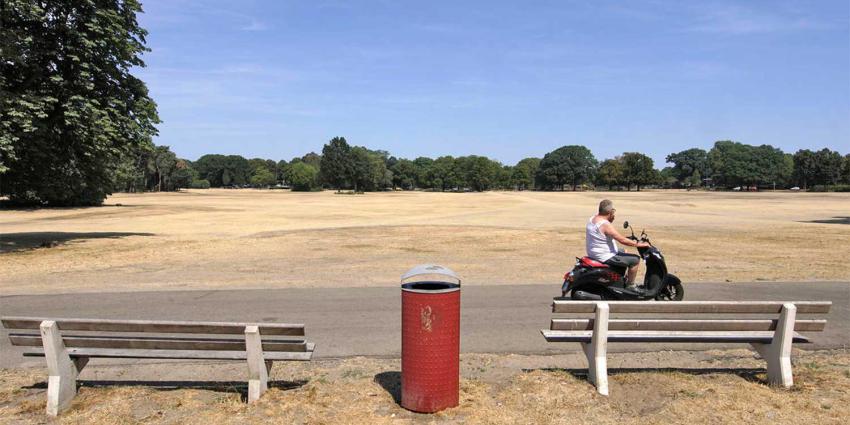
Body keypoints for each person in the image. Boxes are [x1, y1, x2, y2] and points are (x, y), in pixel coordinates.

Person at [586, 199, 650, 286]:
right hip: (604, 255)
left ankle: (619, 278)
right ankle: (630, 285)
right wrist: (639, 244)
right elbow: (622, 240)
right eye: (613, 211)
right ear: (610, 212)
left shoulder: (592, 219)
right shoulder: (605, 225)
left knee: (624, 251)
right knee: (635, 260)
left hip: (594, 252)